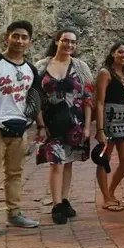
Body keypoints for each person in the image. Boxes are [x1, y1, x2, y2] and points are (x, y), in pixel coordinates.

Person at [0, 21, 43, 236]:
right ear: (7, 38)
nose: (19, 41)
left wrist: (40, 126)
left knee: (15, 173)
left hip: (19, 127)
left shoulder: (31, 69)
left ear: (30, 42)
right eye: (15, 36)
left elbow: (35, 100)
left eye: (24, 37)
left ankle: (15, 212)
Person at [35, 29, 93, 224]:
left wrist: (87, 127)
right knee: (56, 163)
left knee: (68, 162)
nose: (69, 45)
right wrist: (39, 124)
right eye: (65, 40)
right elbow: (35, 97)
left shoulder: (81, 67)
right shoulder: (42, 66)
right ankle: (56, 204)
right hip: (51, 124)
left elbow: (88, 98)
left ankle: (65, 199)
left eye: (73, 42)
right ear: (57, 42)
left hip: (74, 123)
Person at [95, 42, 124, 212]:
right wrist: (100, 129)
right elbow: (99, 101)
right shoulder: (105, 73)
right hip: (109, 118)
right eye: (120, 52)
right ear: (113, 53)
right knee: (104, 159)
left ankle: (111, 191)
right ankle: (106, 197)